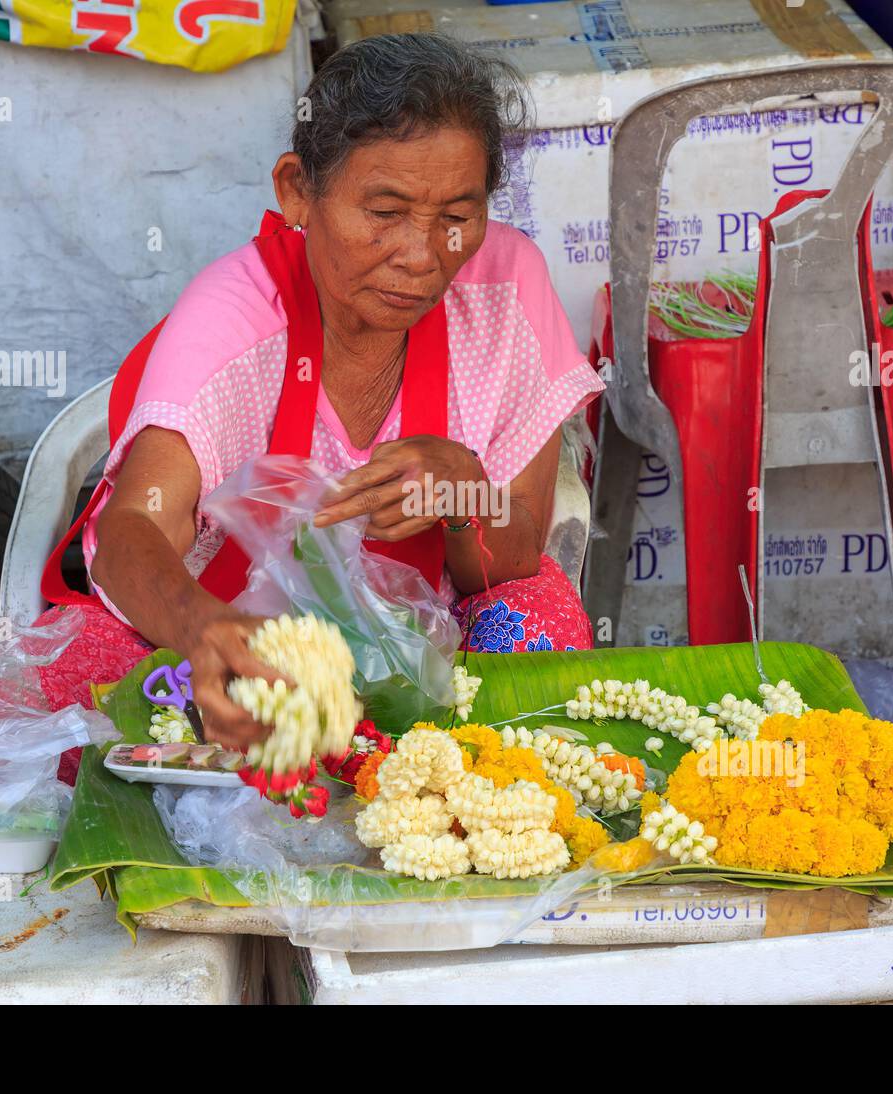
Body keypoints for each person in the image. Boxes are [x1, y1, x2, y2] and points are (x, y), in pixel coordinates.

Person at [36, 33, 605, 768]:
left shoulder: (507, 290)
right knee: (90, 692)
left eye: (457, 214)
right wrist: (206, 630)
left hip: (421, 645)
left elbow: (516, 552)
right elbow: (130, 535)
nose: (422, 254)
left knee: (542, 626)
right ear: (298, 191)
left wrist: (468, 493)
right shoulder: (234, 318)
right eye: (385, 211)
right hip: (217, 637)